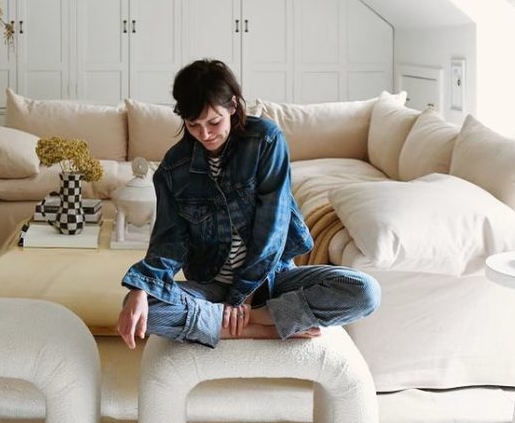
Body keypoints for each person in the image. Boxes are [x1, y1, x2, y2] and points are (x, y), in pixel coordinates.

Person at [117, 59, 380, 349]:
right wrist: (142, 287)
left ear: (232, 105)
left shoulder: (265, 141)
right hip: (211, 288)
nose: (205, 134)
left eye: (214, 122)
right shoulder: (172, 168)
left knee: (365, 291)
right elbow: (169, 243)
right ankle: (264, 329)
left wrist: (241, 299)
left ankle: (245, 320)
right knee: (140, 306)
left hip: (272, 281)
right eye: (193, 125)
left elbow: (273, 228)